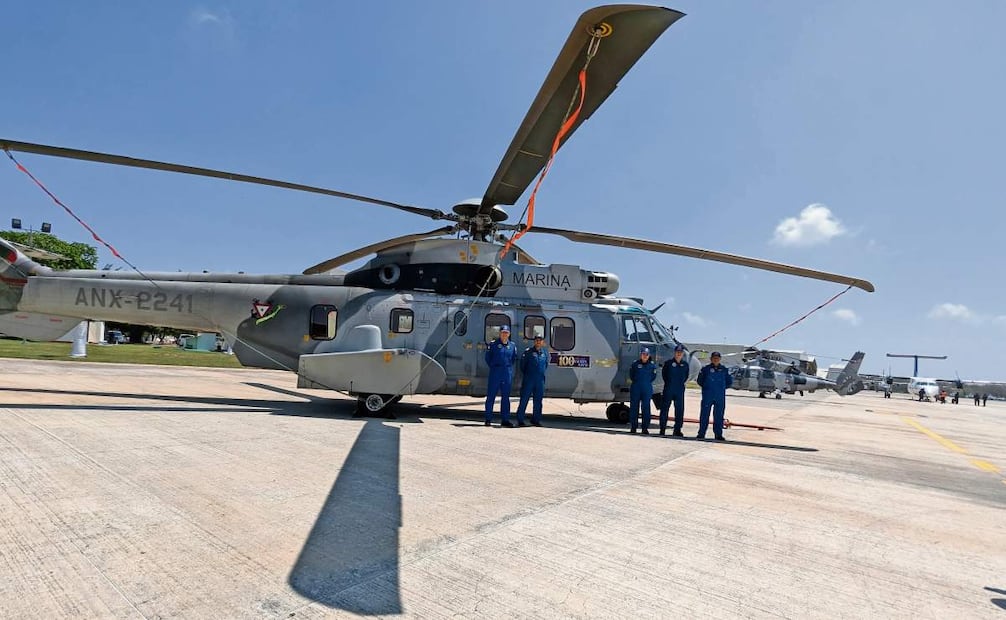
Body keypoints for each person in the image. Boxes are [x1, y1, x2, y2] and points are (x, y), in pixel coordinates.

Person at [484, 325, 518, 427]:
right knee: (491, 396)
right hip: (495, 372)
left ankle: (505, 420)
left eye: (506, 333)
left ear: (509, 334)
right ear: (500, 333)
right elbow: (488, 358)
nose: (504, 334)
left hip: (506, 373)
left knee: (506, 397)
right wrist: (495, 367)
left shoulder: (512, 346)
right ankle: (488, 419)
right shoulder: (493, 345)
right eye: (503, 332)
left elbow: (513, 359)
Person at [696, 351, 732, 440]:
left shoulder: (724, 370)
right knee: (704, 415)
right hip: (708, 395)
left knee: (719, 416)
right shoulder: (705, 369)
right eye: (714, 358)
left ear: (720, 359)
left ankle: (718, 434)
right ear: (711, 359)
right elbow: (700, 381)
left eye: (717, 358)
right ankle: (701, 433)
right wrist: (707, 388)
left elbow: (729, 382)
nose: (716, 359)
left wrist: (720, 389)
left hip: (719, 396)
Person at [516, 334, 549, 427]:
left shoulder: (544, 353)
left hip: (540, 381)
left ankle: (536, 420)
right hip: (529, 379)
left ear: (543, 342)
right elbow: (523, 366)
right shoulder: (528, 352)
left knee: (538, 401)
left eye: (540, 340)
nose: (538, 342)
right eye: (537, 340)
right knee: (524, 399)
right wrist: (529, 375)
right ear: (534, 341)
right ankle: (520, 419)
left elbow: (545, 365)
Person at [659, 344, 689, 437]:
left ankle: (677, 430)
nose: (679, 354)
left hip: (679, 390)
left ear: (683, 353)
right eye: (677, 352)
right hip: (669, 388)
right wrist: (669, 383)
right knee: (664, 409)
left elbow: (686, 376)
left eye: (680, 352)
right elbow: (664, 375)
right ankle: (662, 429)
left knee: (679, 410)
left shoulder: (685, 365)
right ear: (674, 353)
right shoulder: (668, 363)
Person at [628, 347, 657, 434]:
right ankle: (633, 427)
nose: (645, 356)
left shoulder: (652, 365)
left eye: (646, 354)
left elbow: (653, 377)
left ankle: (645, 428)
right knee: (634, 408)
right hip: (636, 388)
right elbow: (631, 375)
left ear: (649, 356)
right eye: (643, 354)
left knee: (646, 408)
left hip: (647, 388)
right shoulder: (635, 364)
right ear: (641, 355)